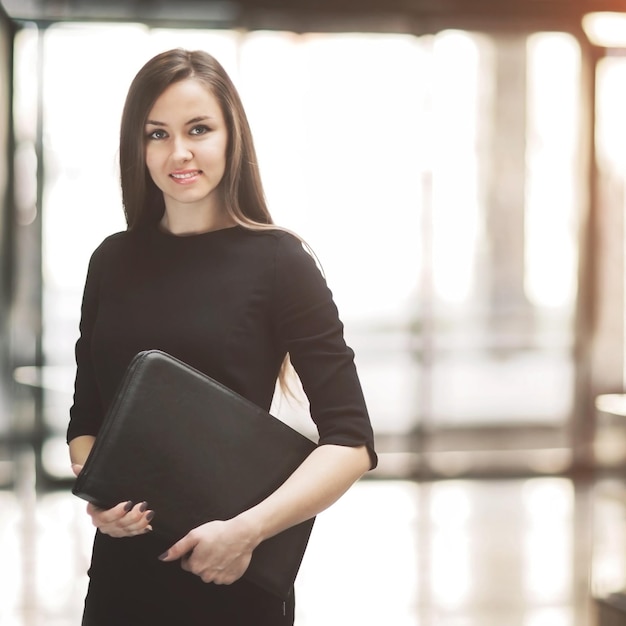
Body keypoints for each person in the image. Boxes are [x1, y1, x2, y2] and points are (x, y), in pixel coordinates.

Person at [66, 48, 377, 626]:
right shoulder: (110, 261)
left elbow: (351, 442)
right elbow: (86, 422)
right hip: (120, 584)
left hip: (233, 580)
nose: (178, 151)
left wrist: (246, 532)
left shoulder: (282, 261)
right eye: (157, 133)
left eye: (199, 129)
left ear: (232, 137)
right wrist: (100, 499)